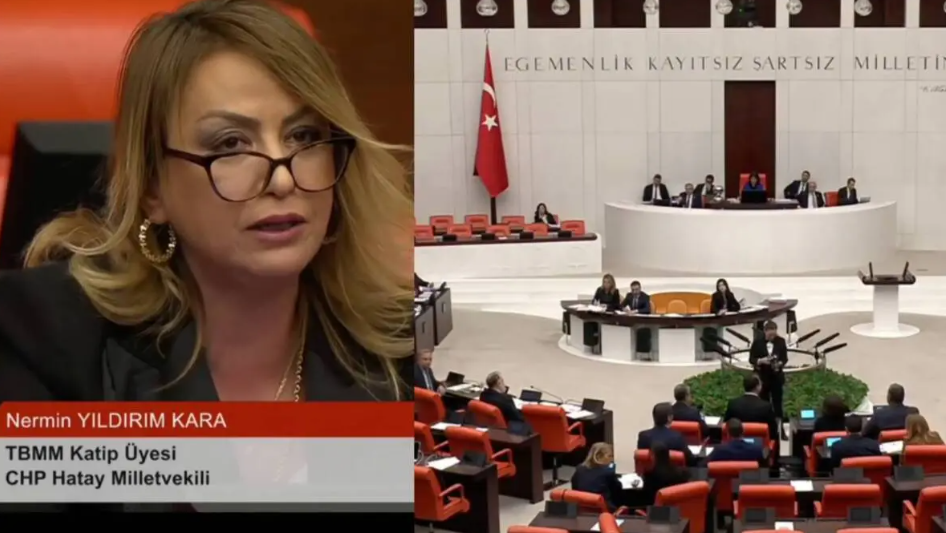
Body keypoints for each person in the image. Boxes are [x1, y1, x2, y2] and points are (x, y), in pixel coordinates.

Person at [0, 1, 412, 408]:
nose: (283, 180)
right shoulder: (44, 340)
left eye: (303, 136)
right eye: (230, 144)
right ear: (151, 188)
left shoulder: (405, 343)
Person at [749, 321, 788, 440]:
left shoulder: (781, 341)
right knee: (764, 405)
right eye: (770, 334)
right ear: (765, 332)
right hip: (763, 379)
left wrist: (780, 363)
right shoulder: (757, 342)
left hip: (776, 378)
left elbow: (784, 358)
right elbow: (751, 359)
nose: (772, 337)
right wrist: (761, 361)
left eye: (774, 334)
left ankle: (781, 431)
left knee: (778, 405)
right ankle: (765, 430)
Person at [723, 374, 779, 444]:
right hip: (759, 446)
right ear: (758, 387)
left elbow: (726, 425)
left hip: (736, 445)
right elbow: (773, 432)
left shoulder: (733, 404)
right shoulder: (766, 407)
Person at [571, 443, 623, 512]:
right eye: (610, 456)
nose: (612, 459)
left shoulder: (579, 469)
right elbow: (617, 489)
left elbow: (574, 489)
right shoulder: (608, 472)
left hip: (581, 510)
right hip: (604, 510)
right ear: (598, 456)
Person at [620, 280, 652, 354]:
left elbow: (647, 310)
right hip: (631, 320)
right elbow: (621, 306)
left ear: (640, 289)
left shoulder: (645, 297)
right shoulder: (629, 296)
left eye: (636, 290)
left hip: (642, 321)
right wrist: (624, 309)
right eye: (633, 290)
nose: (635, 292)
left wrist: (636, 311)